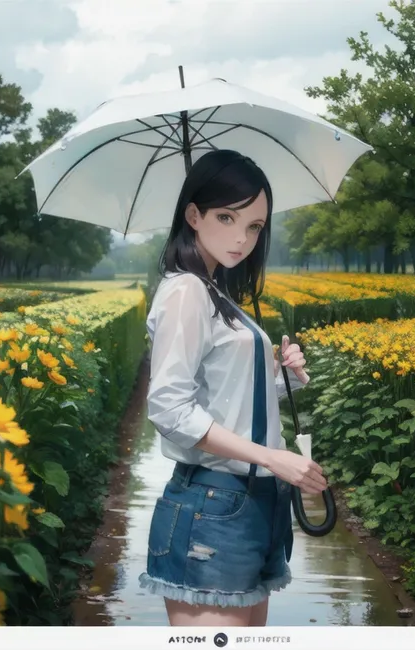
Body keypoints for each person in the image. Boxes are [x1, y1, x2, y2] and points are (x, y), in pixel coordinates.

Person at [138, 149, 327, 627]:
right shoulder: (186, 290)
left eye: (255, 226)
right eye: (226, 217)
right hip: (212, 506)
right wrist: (270, 457)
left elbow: (226, 399)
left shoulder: (217, 292)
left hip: (252, 505)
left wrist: (284, 377)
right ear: (193, 215)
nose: (241, 237)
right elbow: (170, 409)